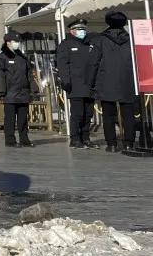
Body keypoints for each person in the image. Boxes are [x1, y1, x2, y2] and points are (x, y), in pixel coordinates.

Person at [88, 10, 138, 152]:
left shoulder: (100, 40)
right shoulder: (131, 39)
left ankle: (111, 144)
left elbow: (93, 63)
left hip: (106, 82)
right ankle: (129, 142)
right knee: (128, 115)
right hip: (128, 81)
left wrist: (91, 82)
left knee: (108, 115)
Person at [0, 31, 39, 148]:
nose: (17, 44)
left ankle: (24, 139)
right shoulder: (1, 57)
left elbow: (29, 75)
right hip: (10, 94)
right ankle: (10, 140)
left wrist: (34, 88)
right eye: (15, 42)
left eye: (18, 42)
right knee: (10, 119)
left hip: (23, 93)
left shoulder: (22, 57)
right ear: (8, 43)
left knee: (23, 118)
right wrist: (1, 91)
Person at [56, 18, 98, 149]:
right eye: (79, 29)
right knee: (77, 114)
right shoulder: (66, 44)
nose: (82, 31)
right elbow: (62, 65)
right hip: (75, 85)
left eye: (83, 29)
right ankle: (75, 139)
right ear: (72, 31)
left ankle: (85, 137)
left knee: (88, 114)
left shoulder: (89, 44)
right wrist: (66, 81)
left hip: (90, 85)